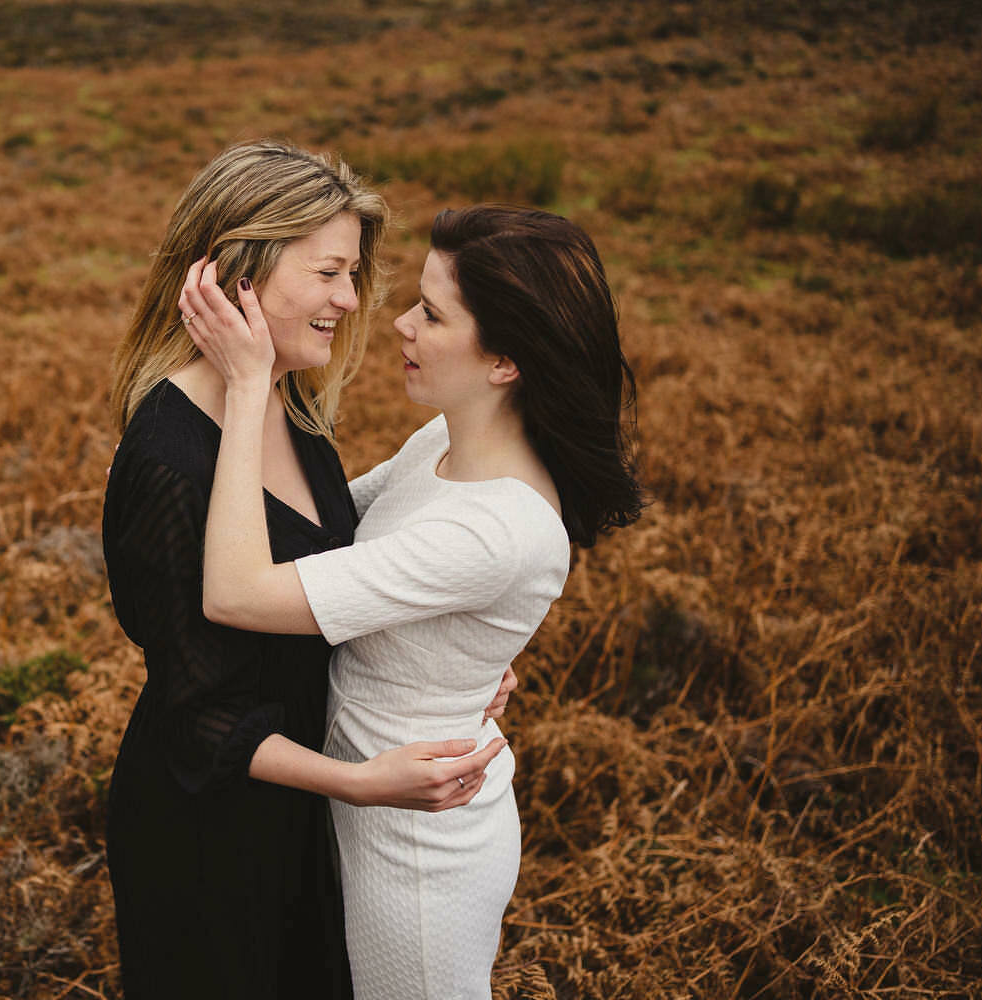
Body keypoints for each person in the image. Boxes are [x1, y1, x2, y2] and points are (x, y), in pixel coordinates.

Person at [181, 204, 647, 999]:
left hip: (417, 858)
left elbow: (238, 592)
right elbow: (321, 544)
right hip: (355, 809)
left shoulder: (495, 529)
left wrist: (251, 381)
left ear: (505, 361)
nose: (394, 322)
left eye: (431, 314)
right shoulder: (444, 443)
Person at [102, 143, 516, 1000]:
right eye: (329, 272)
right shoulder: (168, 456)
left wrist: (452, 656)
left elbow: (344, 568)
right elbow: (197, 719)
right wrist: (361, 784)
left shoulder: (292, 404)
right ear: (239, 274)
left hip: (301, 813)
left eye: (354, 273)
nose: (351, 301)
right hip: (209, 834)